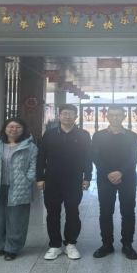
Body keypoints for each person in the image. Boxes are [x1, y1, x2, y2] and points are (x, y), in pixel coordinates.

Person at [37, 104, 92, 260]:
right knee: (52, 213)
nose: (67, 116)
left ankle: (70, 243)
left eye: (71, 113)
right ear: (59, 116)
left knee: (72, 211)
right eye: (64, 113)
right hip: (52, 179)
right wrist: (39, 177)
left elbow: (88, 157)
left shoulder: (83, 134)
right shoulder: (49, 134)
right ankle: (55, 245)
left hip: (74, 179)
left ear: (76, 116)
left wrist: (87, 177)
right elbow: (41, 157)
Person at [0, 117, 38, 261]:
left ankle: (12, 248)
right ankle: (0, 245)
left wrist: (28, 179)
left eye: (18, 127)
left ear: (23, 129)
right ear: (5, 129)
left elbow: (33, 166)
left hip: (19, 187)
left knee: (17, 219)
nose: (14, 129)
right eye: (10, 126)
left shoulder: (30, 146)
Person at [92, 105, 137, 260]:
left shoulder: (132, 136)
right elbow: (95, 156)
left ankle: (127, 244)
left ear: (124, 117)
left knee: (128, 211)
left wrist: (121, 172)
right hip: (105, 179)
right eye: (111, 115)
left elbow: (134, 157)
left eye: (118, 115)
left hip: (128, 178)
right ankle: (107, 244)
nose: (114, 118)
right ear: (106, 116)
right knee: (106, 212)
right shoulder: (98, 136)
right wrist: (109, 173)